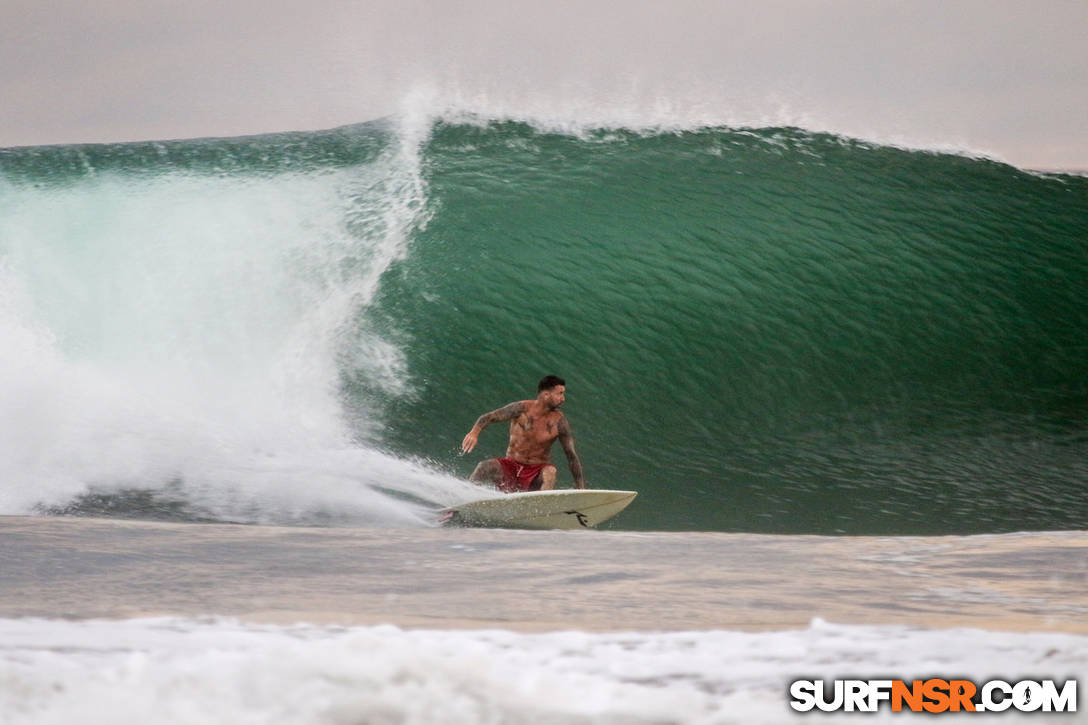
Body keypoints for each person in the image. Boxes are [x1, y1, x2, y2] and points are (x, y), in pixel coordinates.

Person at [461, 375, 586, 492]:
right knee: (484, 466)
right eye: (560, 394)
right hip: (510, 467)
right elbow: (489, 417)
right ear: (546, 395)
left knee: (550, 472)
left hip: (535, 474)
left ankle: (540, 508)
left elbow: (572, 457)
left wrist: (580, 488)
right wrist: (474, 433)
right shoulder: (521, 409)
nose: (563, 399)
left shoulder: (560, 422)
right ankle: (464, 500)